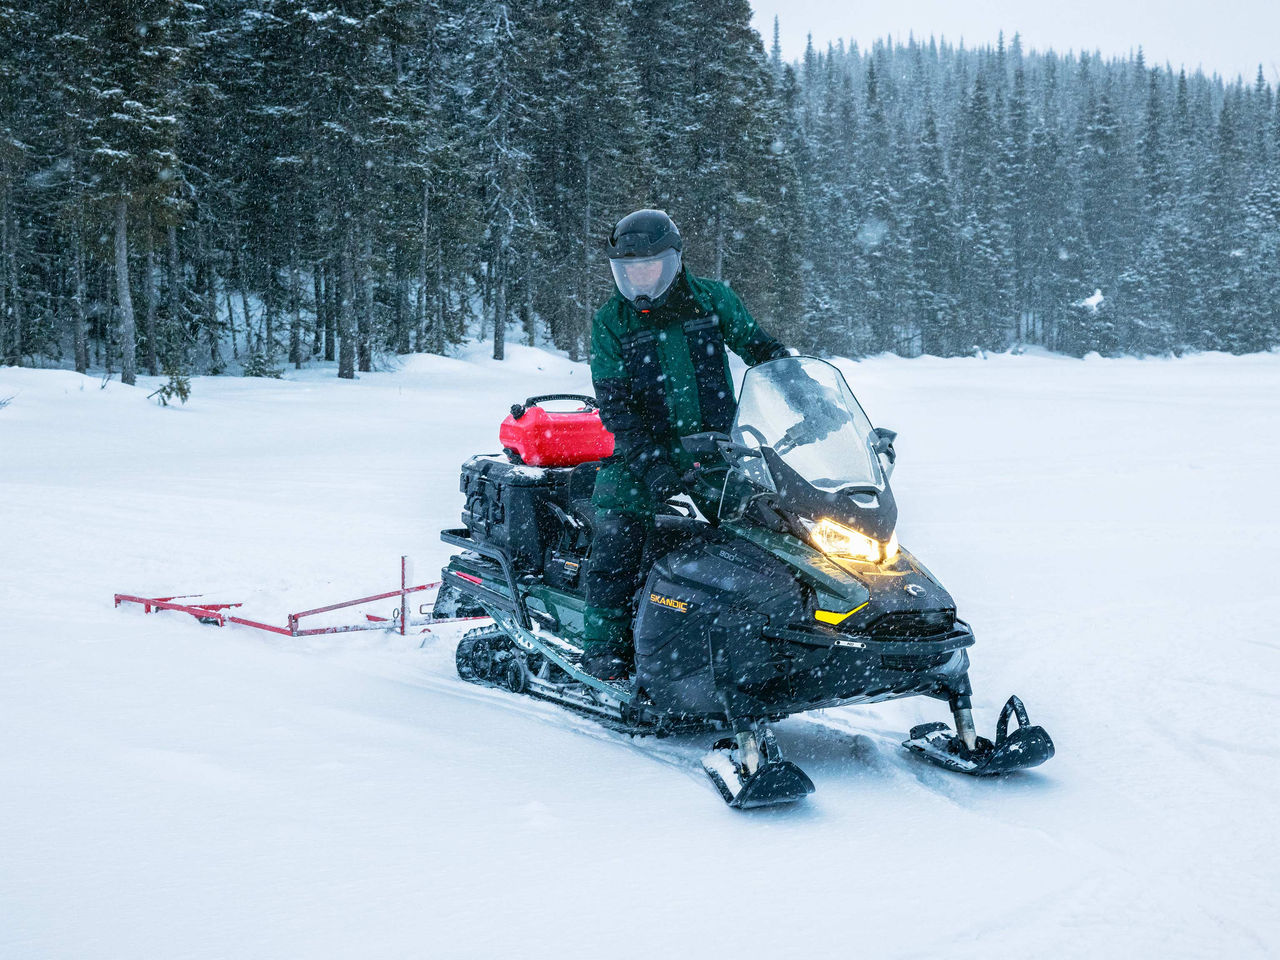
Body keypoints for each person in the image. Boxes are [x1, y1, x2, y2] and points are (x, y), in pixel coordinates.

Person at [581, 209, 790, 681]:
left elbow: (761, 350)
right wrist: (651, 463)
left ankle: (775, 633)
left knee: (767, 530)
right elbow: (616, 408)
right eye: (628, 269)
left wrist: (800, 394)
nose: (639, 278)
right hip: (640, 457)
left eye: (648, 266)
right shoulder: (611, 322)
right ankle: (604, 649)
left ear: (673, 262)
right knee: (617, 532)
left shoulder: (711, 300)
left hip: (717, 452)